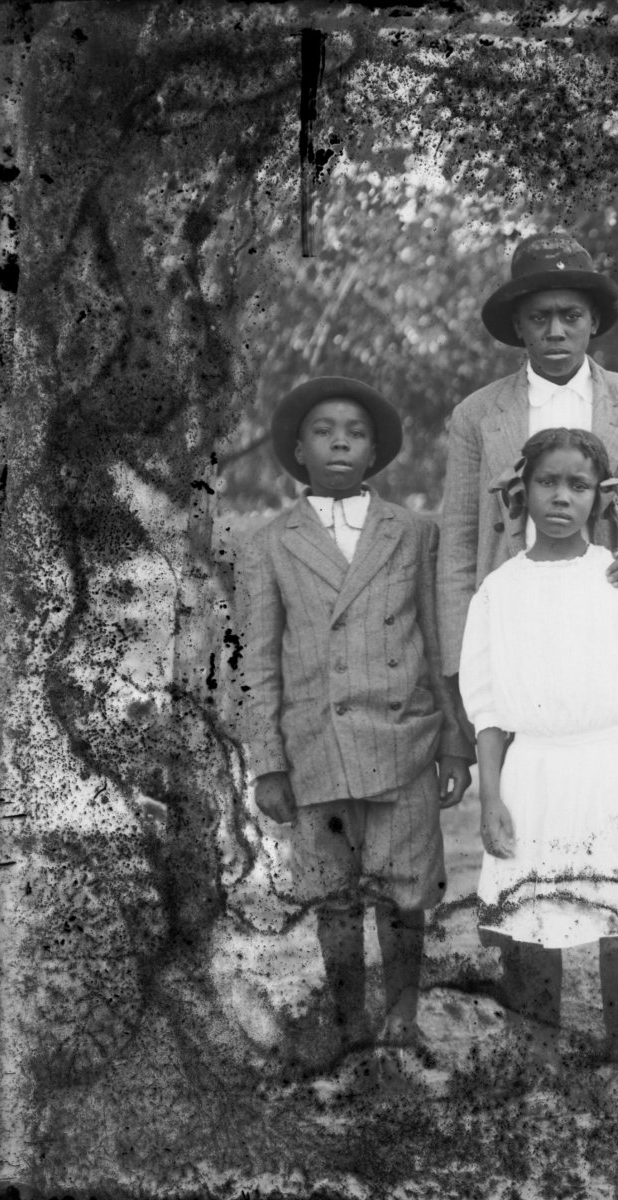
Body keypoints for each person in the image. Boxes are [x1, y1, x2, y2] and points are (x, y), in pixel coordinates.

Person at [239, 376, 472, 1078]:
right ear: (298, 450)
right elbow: (257, 661)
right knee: (333, 896)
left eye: (356, 433)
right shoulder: (269, 543)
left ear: (375, 451)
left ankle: (402, 1023)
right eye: (323, 431)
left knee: (406, 891)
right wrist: (268, 761)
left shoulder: (414, 532)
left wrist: (454, 740)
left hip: (405, 739)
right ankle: (347, 1029)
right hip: (316, 746)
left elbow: (438, 640)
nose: (340, 442)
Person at [459, 427, 618, 1108]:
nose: (561, 496)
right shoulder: (498, 591)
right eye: (547, 482)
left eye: (578, 485)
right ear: (523, 491)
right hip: (533, 771)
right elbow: (487, 710)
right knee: (536, 922)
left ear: (600, 497)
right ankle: (540, 1067)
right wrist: (491, 798)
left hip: (611, 766)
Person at [437, 232, 618, 833]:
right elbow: (459, 542)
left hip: (614, 625)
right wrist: (458, 660)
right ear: (518, 326)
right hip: (517, 627)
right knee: (529, 806)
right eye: (539, 318)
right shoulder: (478, 415)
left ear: (593, 322)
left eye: (571, 316)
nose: (555, 331)